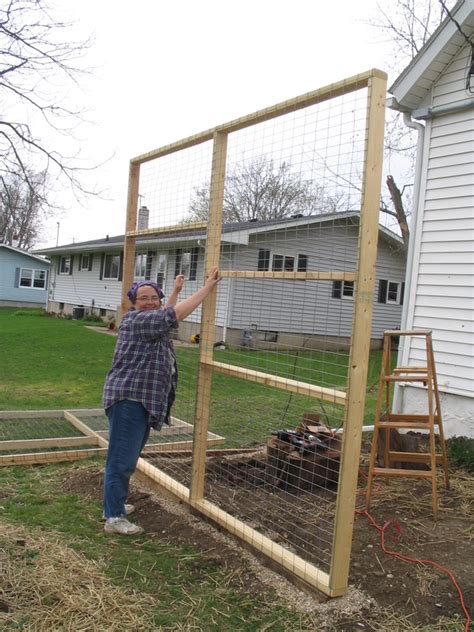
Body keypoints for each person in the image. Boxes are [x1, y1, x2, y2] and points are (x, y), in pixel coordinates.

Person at [102, 267, 221, 535]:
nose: (150, 301)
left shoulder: (151, 320)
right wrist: (208, 288)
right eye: (143, 297)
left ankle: (115, 503)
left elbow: (164, 317)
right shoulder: (134, 321)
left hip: (141, 400)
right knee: (121, 460)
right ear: (133, 303)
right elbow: (173, 316)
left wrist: (176, 291)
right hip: (128, 399)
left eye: (154, 297)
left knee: (126, 458)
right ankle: (114, 517)